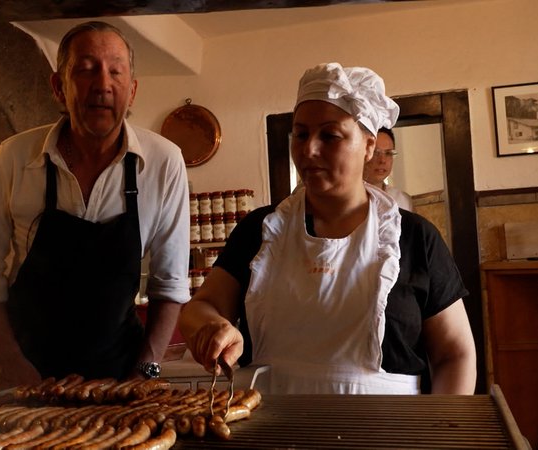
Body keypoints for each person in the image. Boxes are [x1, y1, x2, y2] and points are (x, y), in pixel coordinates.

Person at [179, 63, 476, 395]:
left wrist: (443, 422)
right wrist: (212, 326)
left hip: (392, 423)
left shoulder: (414, 238)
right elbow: (199, 308)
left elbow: (455, 354)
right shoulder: (260, 230)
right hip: (273, 420)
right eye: (301, 134)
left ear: (368, 145)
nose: (309, 150)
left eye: (330, 135)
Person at [0, 20, 190, 392]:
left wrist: (145, 371)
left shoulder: (163, 161)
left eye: (116, 72)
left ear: (132, 90)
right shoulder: (14, 157)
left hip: (120, 376)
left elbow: (170, 283)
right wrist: (7, 360)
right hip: (26, 372)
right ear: (58, 87)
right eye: (85, 70)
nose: (103, 84)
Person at [363, 127, 414, 211]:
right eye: (375, 152)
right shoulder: (347, 199)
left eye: (388, 153)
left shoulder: (403, 201)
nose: (382, 160)